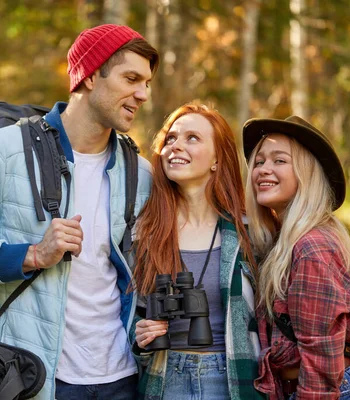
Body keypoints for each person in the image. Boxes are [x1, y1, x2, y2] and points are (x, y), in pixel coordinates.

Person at [0, 24, 159, 400]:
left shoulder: (141, 173)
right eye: (131, 78)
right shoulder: (2, 150)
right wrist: (33, 254)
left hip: (123, 379)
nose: (143, 94)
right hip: (36, 380)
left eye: (147, 83)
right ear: (91, 74)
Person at [242, 116, 350, 399]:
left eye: (279, 161)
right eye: (259, 162)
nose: (263, 170)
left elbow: (321, 359)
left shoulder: (311, 245)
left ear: (307, 174)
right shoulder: (281, 242)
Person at [131, 103, 264, 399]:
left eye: (192, 138)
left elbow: (284, 304)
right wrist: (141, 337)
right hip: (164, 377)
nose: (176, 145)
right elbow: (126, 314)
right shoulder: (146, 232)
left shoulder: (249, 233)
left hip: (234, 378)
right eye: (170, 138)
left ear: (218, 158)